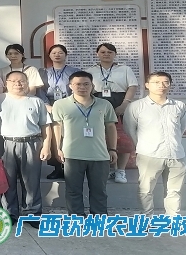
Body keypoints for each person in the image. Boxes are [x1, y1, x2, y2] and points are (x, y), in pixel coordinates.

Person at [124, 72, 186, 235]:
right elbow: (130, 129)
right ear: (147, 85)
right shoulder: (136, 106)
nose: (161, 85)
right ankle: (146, 221)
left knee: (174, 191)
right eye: (156, 82)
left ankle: (173, 222)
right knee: (146, 190)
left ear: (170, 85)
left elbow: (181, 128)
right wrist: (142, 146)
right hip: (149, 155)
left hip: (176, 155)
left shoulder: (179, 106)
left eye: (165, 82)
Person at [52, 71, 117, 216]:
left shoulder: (104, 104)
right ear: (70, 86)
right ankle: (77, 218)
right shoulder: (60, 104)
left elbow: (111, 127)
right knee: (73, 190)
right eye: (78, 84)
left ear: (92, 85)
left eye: (86, 84)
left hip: (99, 155)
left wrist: (112, 149)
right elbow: (57, 127)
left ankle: (99, 218)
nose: (82, 87)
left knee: (99, 191)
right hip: (72, 154)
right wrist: (58, 148)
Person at [0, 71, 51, 227]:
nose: (18, 84)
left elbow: (45, 125)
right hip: (5, 143)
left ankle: (32, 213)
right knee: (7, 181)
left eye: (21, 81)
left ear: (27, 83)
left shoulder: (36, 101)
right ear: (6, 83)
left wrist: (46, 146)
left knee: (31, 181)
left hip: (31, 143)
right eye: (13, 81)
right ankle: (9, 213)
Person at [86, 43, 139, 184]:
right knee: (102, 138)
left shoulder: (125, 69)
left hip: (120, 104)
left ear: (115, 54)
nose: (106, 54)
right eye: (103, 52)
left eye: (110, 52)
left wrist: (124, 105)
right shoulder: (90, 71)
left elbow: (132, 86)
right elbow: (87, 89)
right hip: (98, 105)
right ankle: (111, 169)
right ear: (97, 54)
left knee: (123, 138)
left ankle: (121, 170)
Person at [37, 45, 80, 180]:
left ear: (65, 55)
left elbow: (77, 88)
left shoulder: (74, 71)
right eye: (54, 52)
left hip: (69, 105)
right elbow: (40, 90)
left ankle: (70, 167)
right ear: (49, 55)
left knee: (69, 135)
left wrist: (70, 103)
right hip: (49, 105)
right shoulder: (43, 72)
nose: (57, 55)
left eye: (60, 52)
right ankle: (57, 167)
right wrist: (46, 105)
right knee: (54, 137)